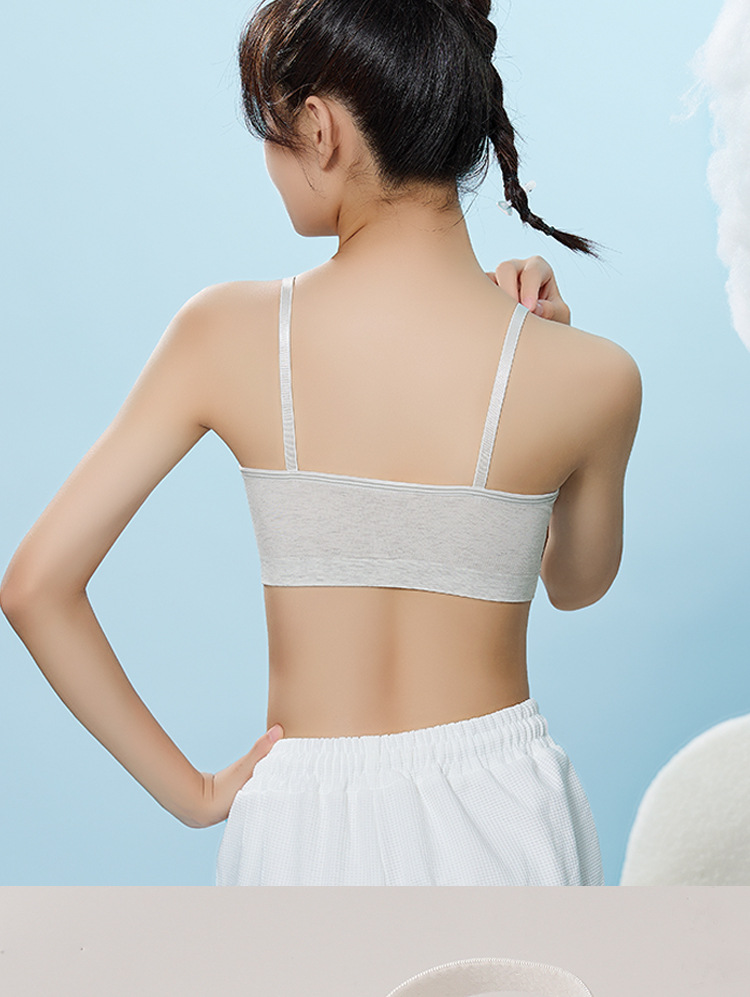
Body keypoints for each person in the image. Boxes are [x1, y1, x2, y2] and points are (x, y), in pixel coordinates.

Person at [0, 0, 641, 885]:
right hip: (505, 813)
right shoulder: (596, 375)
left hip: (301, 820)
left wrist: (195, 793)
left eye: (269, 133)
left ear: (318, 129)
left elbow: (34, 586)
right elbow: (576, 584)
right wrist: (545, 352)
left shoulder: (224, 333)